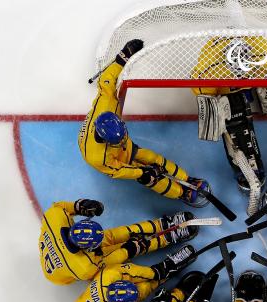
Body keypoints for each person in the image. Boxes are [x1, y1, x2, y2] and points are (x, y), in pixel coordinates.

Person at [78, 39, 210, 205]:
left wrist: (123, 57)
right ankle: (181, 193)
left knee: (152, 157)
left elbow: (106, 79)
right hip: (116, 161)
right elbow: (120, 170)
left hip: (116, 147)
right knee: (152, 178)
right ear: (106, 140)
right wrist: (141, 172)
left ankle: (187, 179)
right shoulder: (99, 158)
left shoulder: (106, 105)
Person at [191, 36, 267, 192]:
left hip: (243, 81)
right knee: (234, 123)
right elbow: (200, 90)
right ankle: (241, 168)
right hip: (224, 89)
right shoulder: (210, 68)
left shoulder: (261, 52)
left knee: (265, 86)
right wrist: (214, 108)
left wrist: (261, 79)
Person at [39, 199, 197, 285]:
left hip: (66, 256)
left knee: (115, 235)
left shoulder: (56, 216)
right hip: (64, 274)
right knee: (129, 246)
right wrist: (129, 249)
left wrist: (80, 206)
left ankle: (162, 225)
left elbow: (60, 206)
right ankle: (166, 237)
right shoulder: (83, 267)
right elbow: (109, 259)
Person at [74, 247, 197, 302]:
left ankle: (165, 269)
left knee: (144, 278)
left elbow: (130, 271)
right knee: (144, 288)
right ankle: (166, 273)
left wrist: (154, 272)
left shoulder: (107, 276)